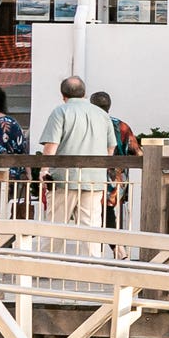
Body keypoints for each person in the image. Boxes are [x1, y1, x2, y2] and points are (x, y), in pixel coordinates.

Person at [38, 75, 116, 230]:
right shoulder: (102, 115)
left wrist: (44, 170)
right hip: (94, 179)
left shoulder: (60, 112)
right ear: (84, 93)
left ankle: (52, 255)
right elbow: (111, 147)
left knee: (55, 229)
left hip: (64, 178)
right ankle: (91, 255)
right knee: (91, 230)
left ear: (63, 95)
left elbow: (52, 144)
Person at [0, 85, 25, 219]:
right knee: (0, 210)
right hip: (6, 176)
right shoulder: (11, 123)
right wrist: (27, 173)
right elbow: (20, 150)